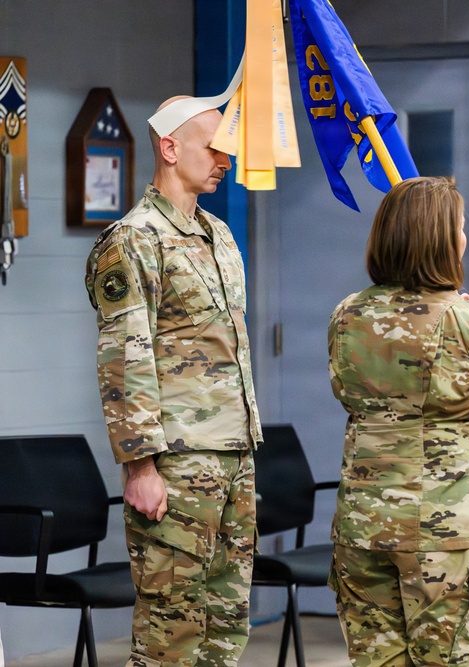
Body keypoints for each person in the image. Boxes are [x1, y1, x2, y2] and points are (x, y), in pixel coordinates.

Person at [326, 176, 469, 667]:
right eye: (460, 228)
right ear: (443, 240)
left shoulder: (346, 315)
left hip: (362, 527)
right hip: (446, 534)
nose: (464, 238)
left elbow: (345, 394)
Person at [85, 97, 261, 667]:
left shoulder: (219, 235)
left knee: (226, 628)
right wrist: (140, 467)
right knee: (170, 634)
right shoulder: (133, 239)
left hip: (234, 453)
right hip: (177, 460)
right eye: (214, 149)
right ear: (169, 148)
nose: (225, 161)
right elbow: (124, 356)